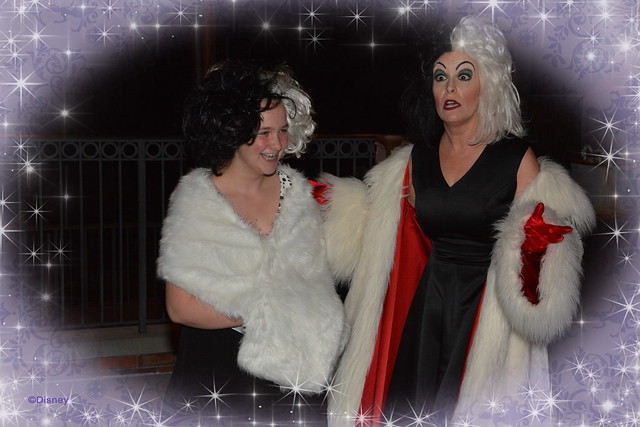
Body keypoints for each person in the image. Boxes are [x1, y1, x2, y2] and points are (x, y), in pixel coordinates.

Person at [320, 16, 595, 425]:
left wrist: (538, 251)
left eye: (464, 75)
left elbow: (542, 252)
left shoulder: (516, 160)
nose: (449, 88)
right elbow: (382, 233)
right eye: (440, 77)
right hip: (427, 307)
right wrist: (322, 203)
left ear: (488, 85)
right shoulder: (414, 161)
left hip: (488, 315)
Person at [157, 60, 346, 424]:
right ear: (232, 132)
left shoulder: (299, 195)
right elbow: (179, 309)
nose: (277, 144)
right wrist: (270, 309)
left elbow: (316, 282)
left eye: (283, 131)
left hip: (294, 370)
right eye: (263, 132)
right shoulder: (197, 199)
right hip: (219, 370)